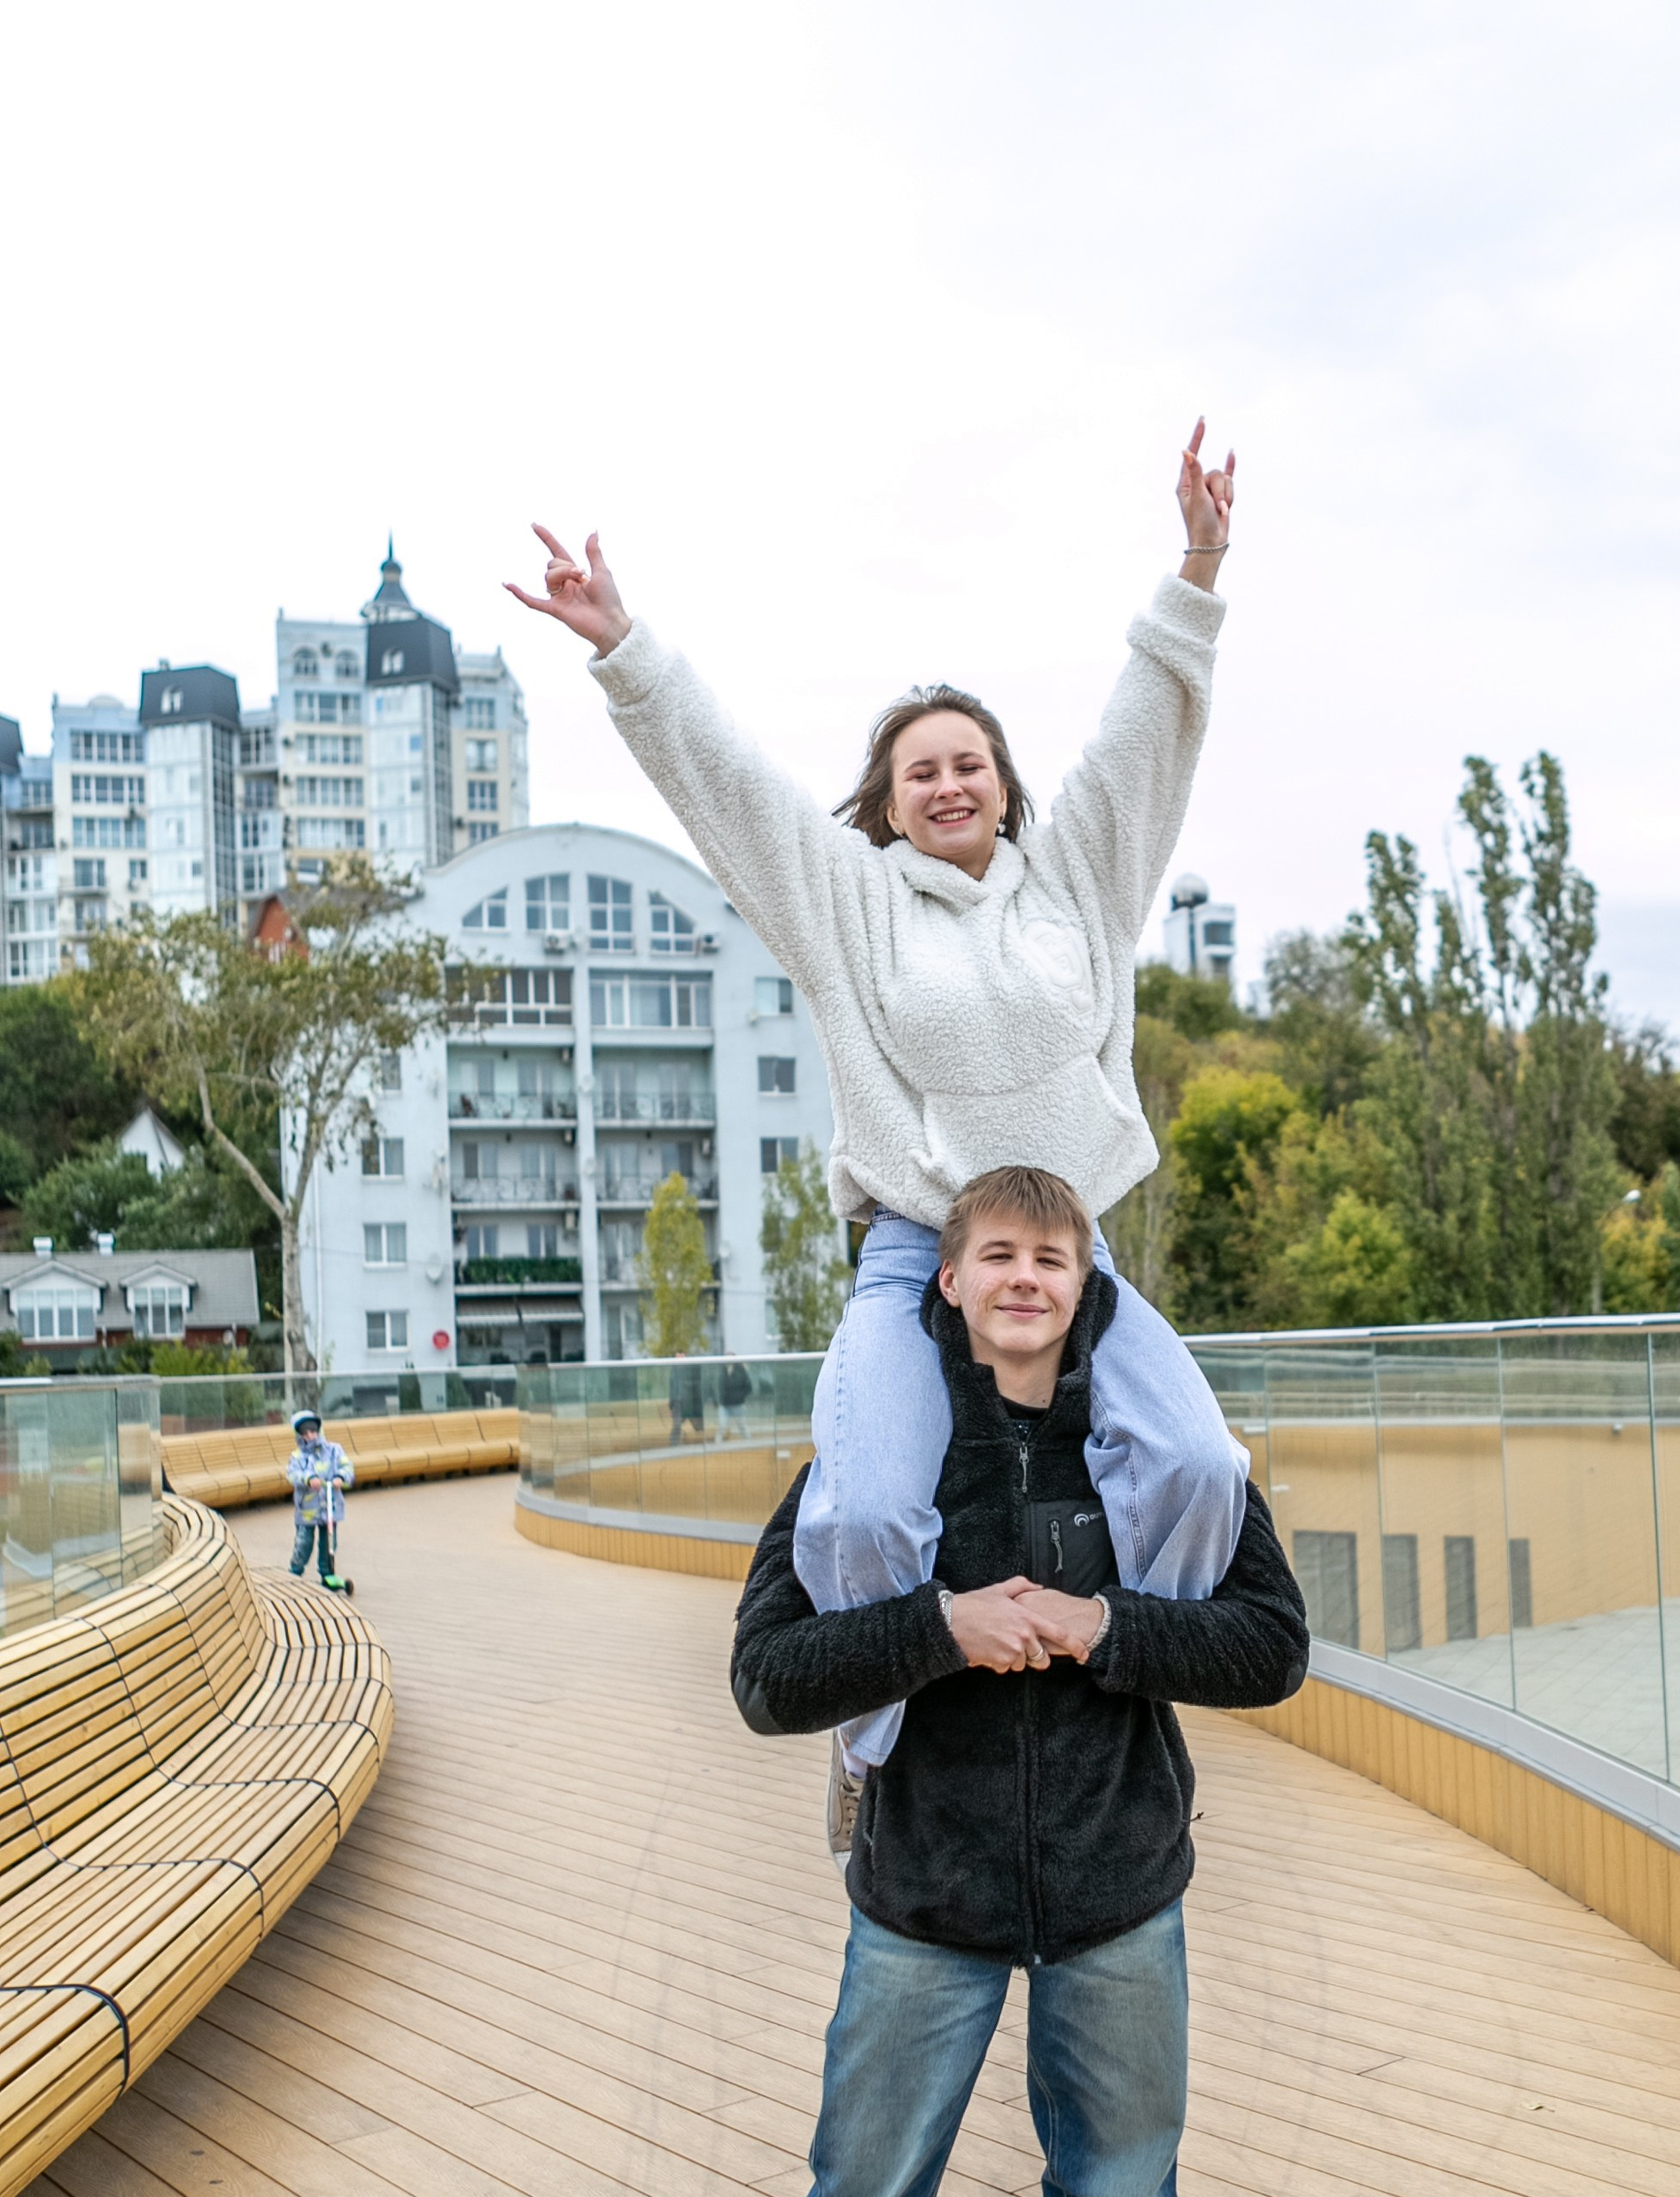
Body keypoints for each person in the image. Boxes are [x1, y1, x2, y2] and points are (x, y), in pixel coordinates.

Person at [507, 425, 1250, 1843]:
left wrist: (1200, 562)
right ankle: (868, 1748)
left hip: (1066, 1251)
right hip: (918, 1252)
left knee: (1203, 1468)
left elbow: (1151, 728)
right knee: (857, 1514)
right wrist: (624, 648)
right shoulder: (848, 901)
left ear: (1005, 785)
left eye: (971, 762)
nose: (950, 782)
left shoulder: (1082, 874)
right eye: (921, 770)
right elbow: (728, 790)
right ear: (890, 798)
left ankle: (1124, 1673)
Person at [661, 1164, 1308, 2197]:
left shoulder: (1152, 1457)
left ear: (1090, 1289)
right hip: (925, 1904)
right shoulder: (873, 1460)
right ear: (943, 1283)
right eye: (997, 1256)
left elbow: (1272, 1645)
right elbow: (769, 1678)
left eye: (1054, 1259)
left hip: (1117, 1889)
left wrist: (1106, 1625)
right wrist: (940, 1631)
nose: (1026, 1278)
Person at [285, 1408, 354, 1592]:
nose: (311, 1436)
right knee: (304, 1542)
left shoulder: (334, 1450)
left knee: (329, 1541)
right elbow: (292, 1475)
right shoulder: (297, 1456)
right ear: (300, 1436)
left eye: (313, 1431)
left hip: (330, 1506)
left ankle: (327, 1573)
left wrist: (341, 1477)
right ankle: (295, 1572)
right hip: (307, 1508)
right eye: (306, 1433)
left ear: (319, 1431)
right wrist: (308, 1479)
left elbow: (347, 1467)